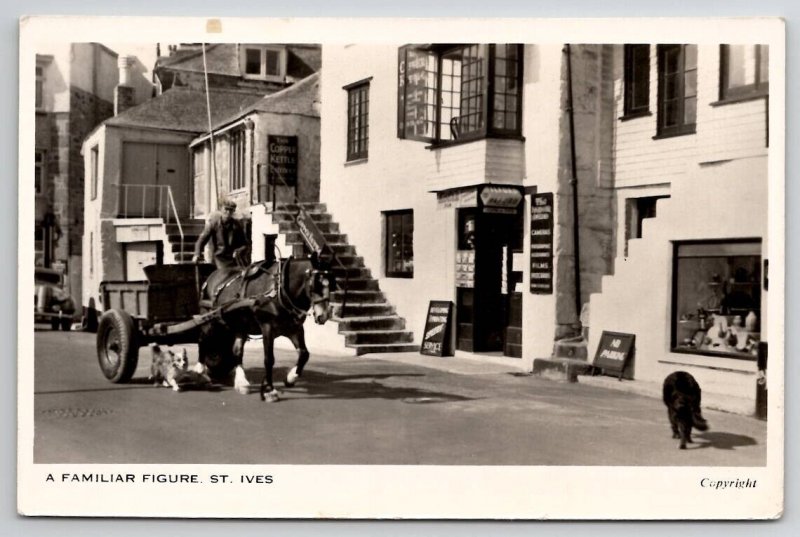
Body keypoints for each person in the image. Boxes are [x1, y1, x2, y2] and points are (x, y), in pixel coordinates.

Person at [192, 199, 250, 270]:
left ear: (233, 212)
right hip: (219, 258)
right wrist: (197, 254)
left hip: (235, 258)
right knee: (226, 275)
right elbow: (201, 240)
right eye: (226, 209)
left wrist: (238, 250)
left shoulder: (237, 225)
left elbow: (245, 244)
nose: (228, 212)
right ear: (221, 209)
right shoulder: (213, 224)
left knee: (245, 274)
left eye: (231, 210)